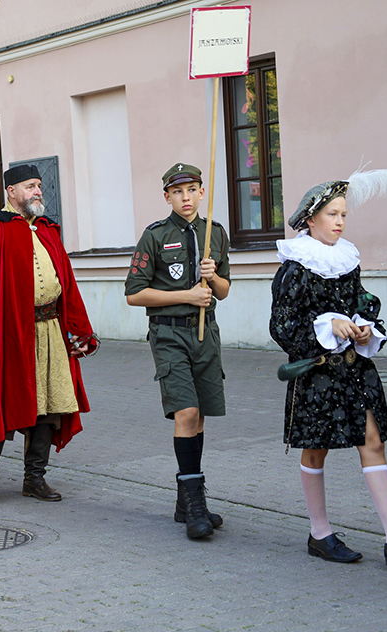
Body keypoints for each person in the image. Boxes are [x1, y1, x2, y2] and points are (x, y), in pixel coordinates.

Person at [270, 169, 387, 566]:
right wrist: (327, 325)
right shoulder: (296, 265)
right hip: (317, 371)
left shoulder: (347, 257)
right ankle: (320, 533)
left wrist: (363, 326)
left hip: (354, 368)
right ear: (311, 219)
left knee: (373, 440)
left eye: (344, 214)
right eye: (332, 214)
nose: (340, 221)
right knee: (316, 450)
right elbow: (281, 325)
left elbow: (362, 301)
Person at [0, 164, 97, 507]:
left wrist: (81, 329)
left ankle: (34, 479)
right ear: (11, 192)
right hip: (9, 332)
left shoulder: (47, 230)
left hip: (49, 328)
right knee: (2, 402)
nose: (38, 191)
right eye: (30, 186)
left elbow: (66, 280)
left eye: (38, 186)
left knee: (48, 405)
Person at [124, 163, 230, 540]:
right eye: (178, 192)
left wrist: (212, 274)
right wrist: (185, 295)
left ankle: (186, 500)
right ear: (167, 196)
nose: (186, 198)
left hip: (205, 335)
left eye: (192, 190)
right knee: (185, 412)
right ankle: (196, 506)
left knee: (199, 416)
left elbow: (223, 290)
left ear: (202, 193)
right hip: (169, 335)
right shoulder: (155, 236)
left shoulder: (214, 232)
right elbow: (134, 293)